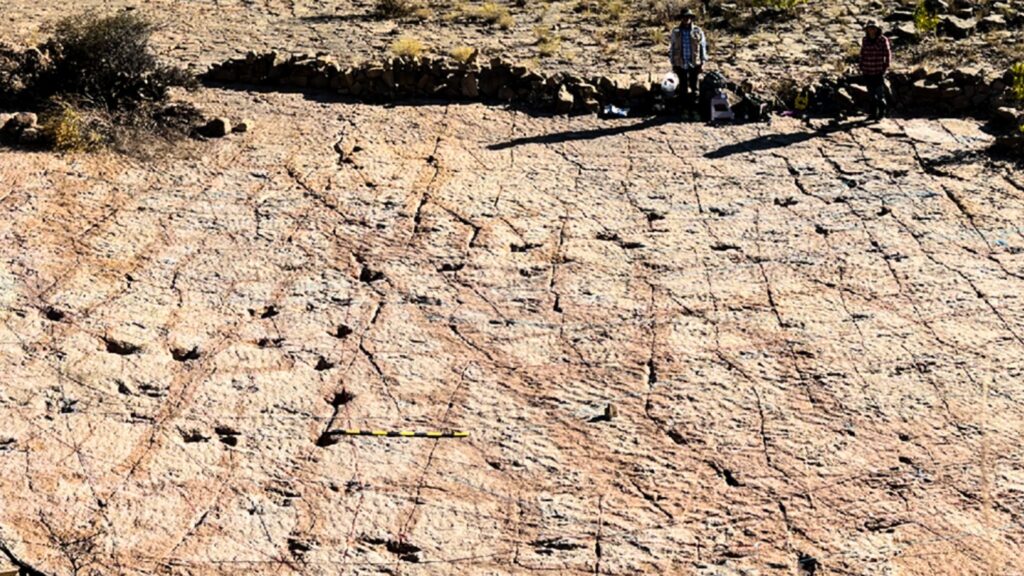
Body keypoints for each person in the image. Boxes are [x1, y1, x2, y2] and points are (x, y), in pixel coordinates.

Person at [669, 8, 708, 120]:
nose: (687, 19)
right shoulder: (676, 32)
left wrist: (702, 62)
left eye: (689, 17)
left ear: (691, 18)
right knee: (683, 88)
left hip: (694, 63)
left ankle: (694, 110)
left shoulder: (697, 31)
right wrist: (673, 63)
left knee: (695, 88)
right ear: (681, 18)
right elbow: (672, 48)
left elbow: (702, 47)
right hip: (680, 63)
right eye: (685, 17)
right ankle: (684, 110)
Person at [858, 21, 891, 120]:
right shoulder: (865, 40)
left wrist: (886, 65)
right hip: (867, 70)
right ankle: (873, 113)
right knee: (871, 94)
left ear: (877, 29)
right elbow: (862, 53)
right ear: (867, 30)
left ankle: (881, 112)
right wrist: (861, 65)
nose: (872, 30)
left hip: (878, 70)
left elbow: (887, 53)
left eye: (873, 28)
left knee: (880, 94)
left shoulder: (882, 40)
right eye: (870, 28)